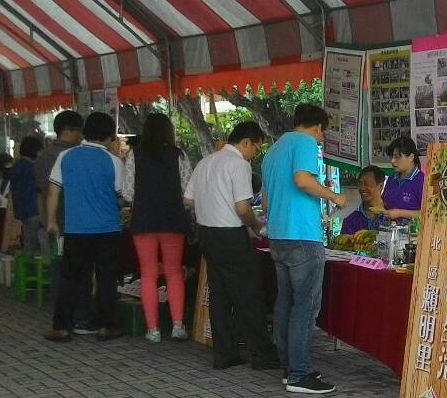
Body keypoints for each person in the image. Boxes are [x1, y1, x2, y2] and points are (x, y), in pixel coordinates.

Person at [261, 104, 346, 393]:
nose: (321, 139)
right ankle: (299, 374)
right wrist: (334, 196)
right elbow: (302, 179)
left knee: (285, 302)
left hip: (278, 235)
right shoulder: (306, 143)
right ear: (318, 127)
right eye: (323, 133)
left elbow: (265, 199)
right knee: (305, 306)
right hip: (302, 236)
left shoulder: (274, 150)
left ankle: (289, 367)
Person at [184, 120, 276, 370]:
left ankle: (224, 353)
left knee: (220, 294)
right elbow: (243, 208)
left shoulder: (206, 161)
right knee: (248, 294)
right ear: (246, 142)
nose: (254, 154)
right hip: (230, 235)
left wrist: (212, 205)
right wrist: (257, 225)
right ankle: (262, 354)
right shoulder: (239, 164)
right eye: (256, 148)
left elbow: (188, 200)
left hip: (207, 234)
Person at [43, 112, 124, 343]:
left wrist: (51, 220)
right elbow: (120, 197)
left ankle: (61, 327)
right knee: (106, 278)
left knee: (71, 278)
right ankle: (106, 326)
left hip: (76, 229)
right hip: (107, 229)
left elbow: (53, 192)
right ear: (109, 135)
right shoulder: (114, 161)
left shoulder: (65, 156)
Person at [123, 113, 192, 344]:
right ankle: (178, 325)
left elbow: (128, 192)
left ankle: (152, 329)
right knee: (174, 272)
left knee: (148, 274)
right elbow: (188, 190)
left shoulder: (134, 155)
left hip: (144, 220)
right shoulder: (179, 155)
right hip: (173, 219)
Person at [36, 110, 96, 335]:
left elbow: (42, 193)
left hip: (51, 222)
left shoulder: (44, 156)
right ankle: (80, 318)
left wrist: (47, 220)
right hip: (71, 221)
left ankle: (62, 319)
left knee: (58, 270)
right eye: (80, 131)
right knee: (78, 272)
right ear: (69, 131)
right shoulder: (71, 156)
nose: (82, 136)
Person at [9, 136, 43, 255]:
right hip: (34, 209)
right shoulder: (33, 167)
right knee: (35, 244)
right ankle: (34, 264)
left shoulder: (17, 166)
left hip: (22, 210)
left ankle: (29, 263)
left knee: (29, 241)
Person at [383, 136, 423, 222]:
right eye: (392, 157)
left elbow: (428, 214)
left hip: (412, 229)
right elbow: (385, 203)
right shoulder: (391, 179)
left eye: (397, 157)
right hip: (389, 229)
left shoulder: (422, 181)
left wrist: (400, 213)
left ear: (411, 157)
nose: (392, 161)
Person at [340, 165, 386, 235]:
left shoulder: (391, 213)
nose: (362, 188)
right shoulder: (351, 217)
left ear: (380, 186)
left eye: (367, 184)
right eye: (360, 184)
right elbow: (344, 240)